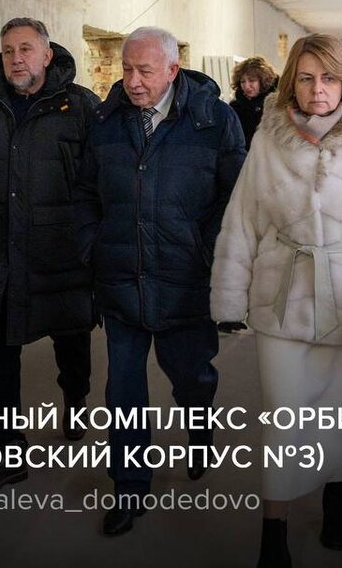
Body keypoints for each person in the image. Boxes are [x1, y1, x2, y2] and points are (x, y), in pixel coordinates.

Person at [211, 34, 342, 567]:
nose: (317, 90)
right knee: (283, 416)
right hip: (281, 296)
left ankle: (335, 492)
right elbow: (243, 218)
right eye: (305, 78)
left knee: (335, 413)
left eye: (328, 78)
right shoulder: (269, 137)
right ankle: (274, 532)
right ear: (292, 82)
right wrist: (230, 298)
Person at [75, 26, 246, 537]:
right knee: (123, 393)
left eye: (145, 71)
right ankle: (129, 488)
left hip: (185, 279)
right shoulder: (105, 122)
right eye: (127, 69)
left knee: (191, 377)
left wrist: (207, 253)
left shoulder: (214, 120)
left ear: (173, 70)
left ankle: (199, 429)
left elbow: (235, 198)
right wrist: (94, 245)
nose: (132, 81)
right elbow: (84, 193)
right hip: (121, 277)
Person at [0, 16, 99, 492]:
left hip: (62, 252)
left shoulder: (80, 107)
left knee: (71, 340)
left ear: (47, 55)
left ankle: (75, 399)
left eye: (27, 49)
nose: (17, 58)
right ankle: (3, 453)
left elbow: (100, 183)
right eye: (9, 50)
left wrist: (95, 244)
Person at [229, 56, 279, 149]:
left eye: (252, 80)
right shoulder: (235, 107)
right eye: (243, 81)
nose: (247, 86)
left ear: (263, 81)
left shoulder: (276, 105)